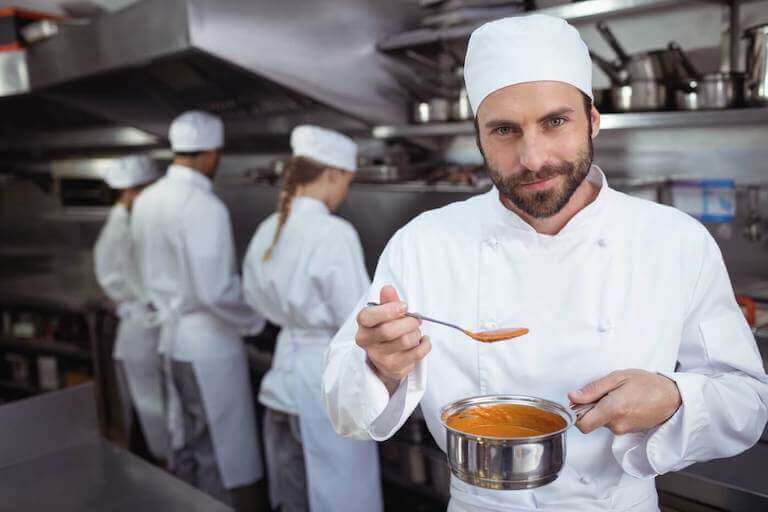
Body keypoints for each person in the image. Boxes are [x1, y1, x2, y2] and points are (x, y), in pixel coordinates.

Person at [323, 14, 768, 512]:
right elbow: (344, 409)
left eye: (555, 122)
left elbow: (747, 402)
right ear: (478, 136)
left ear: (593, 120)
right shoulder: (423, 243)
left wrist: (674, 397)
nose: (532, 158)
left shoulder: (676, 240)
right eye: (504, 130)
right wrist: (379, 368)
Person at [242, 125, 383, 512]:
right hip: (327, 385)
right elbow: (360, 319)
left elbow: (252, 298)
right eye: (347, 182)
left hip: (281, 386)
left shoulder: (268, 228)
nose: (344, 194)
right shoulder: (334, 233)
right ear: (332, 174)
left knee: (292, 500)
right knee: (341, 497)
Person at [131, 110, 266, 509]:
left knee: (186, 442)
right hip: (207, 345)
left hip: (171, 342)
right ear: (210, 154)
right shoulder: (204, 206)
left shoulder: (147, 200)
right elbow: (216, 291)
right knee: (218, 451)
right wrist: (255, 318)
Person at [94, 154, 167, 462]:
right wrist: (150, 301)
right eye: (148, 188)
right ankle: (167, 470)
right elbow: (122, 281)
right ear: (131, 191)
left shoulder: (129, 223)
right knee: (154, 411)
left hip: (139, 329)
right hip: (142, 329)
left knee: (150, 408)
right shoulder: (121, 230)